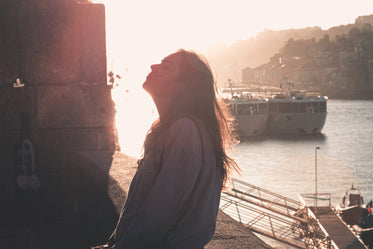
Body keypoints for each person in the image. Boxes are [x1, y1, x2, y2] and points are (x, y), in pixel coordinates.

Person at [103, 49, 239, 249]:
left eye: (166, 66)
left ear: (183, 87)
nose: (153, 66)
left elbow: (161, 210)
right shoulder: (174, 128)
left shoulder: (185, 130)